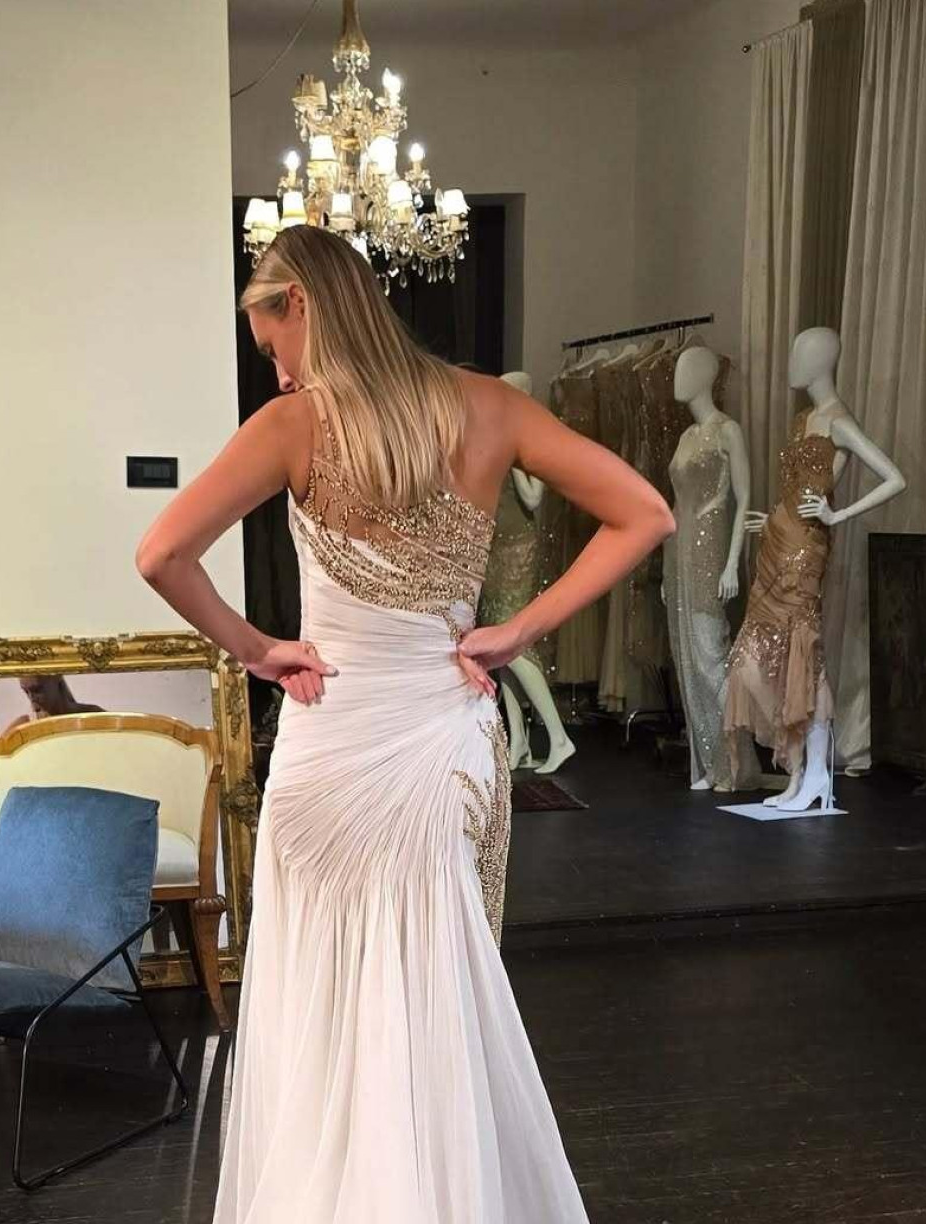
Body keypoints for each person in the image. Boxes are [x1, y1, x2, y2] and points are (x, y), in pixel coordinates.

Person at [136, 225, 674, 1223]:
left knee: (325, 1013)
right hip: (440, 737)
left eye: (272, 344)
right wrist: (519, 629)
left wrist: (256, 648)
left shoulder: (292, 424)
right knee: (433, 996)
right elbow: (646, 512)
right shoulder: (489, 406)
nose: (278, 369)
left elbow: (161, 553)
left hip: (328, 744)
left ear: (300, 303)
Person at [0, 674, 104, 736]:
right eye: (26, 692)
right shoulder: (21, 728)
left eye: (37, 690)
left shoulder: (93, 716)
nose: (31, 698)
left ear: (56, 677)